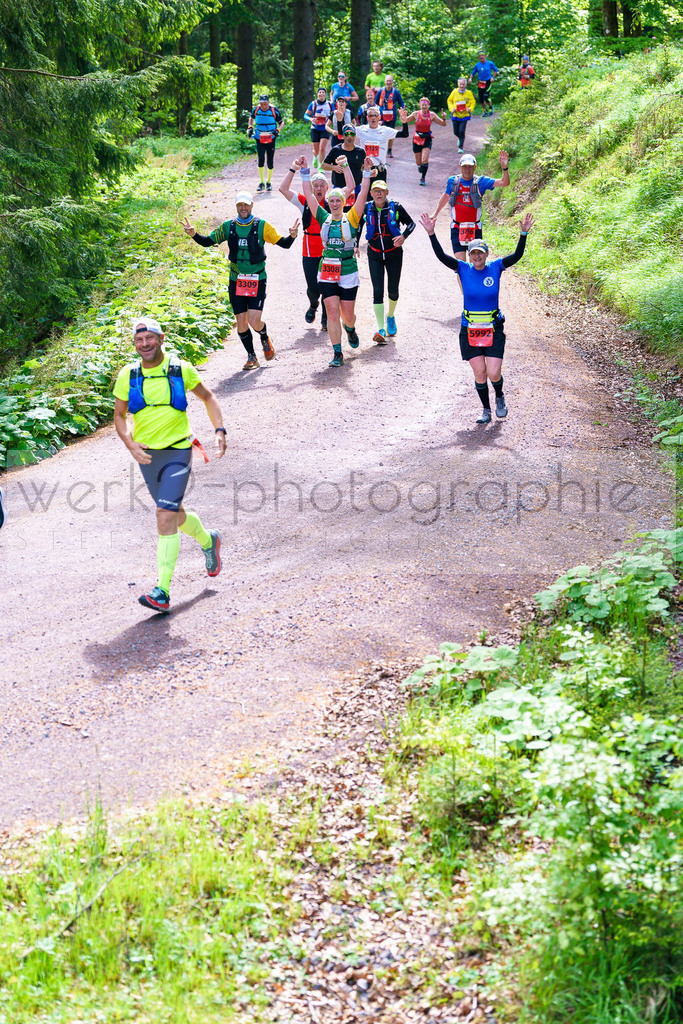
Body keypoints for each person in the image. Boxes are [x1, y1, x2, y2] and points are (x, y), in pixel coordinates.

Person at [113, 317, 226, 613]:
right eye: (139, 340)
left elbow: (208, 397)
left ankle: (162, 591)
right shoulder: (129, 374)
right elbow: (119, 416)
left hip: (178, 451)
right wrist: (130, 443)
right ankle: (208, 539)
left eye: (149, 338)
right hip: (148, 457)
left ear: (161, 338)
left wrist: (219, 430)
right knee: (174, 516)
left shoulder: (180, 369)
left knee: (164, 515)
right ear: (135, 344)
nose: (144, 344)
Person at [420, 212, 534, 423]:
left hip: (493, 327)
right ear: (469, 255)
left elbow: (516, 256)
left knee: (493, 372)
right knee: (480, 373)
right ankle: (486, 410)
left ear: (487, 254)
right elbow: (442, 256)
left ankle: (499, 396)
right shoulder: (463, 268)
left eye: (480, 253)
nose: (477, 257)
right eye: (473, 254)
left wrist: (524, 234)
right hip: (469, 328)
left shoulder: (496, 267)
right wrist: (431, 234)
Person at [181, 191, 299, 370]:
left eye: (246, 205)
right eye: (240, 205)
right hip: (236, 280)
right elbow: (207, 242)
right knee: (241, 321)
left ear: (252, 205)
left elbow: (283, 243)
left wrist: (292, 236)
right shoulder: (228, 227)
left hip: (257, 279)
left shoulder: (262, 226)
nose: (243, 208)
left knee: (254, 321)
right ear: (236, 207)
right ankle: (251, 356)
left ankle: (265, 336)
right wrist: (193, 234)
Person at [296, 154, 375, 367]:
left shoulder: (352, 216)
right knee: (331, 310)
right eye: (331, 200)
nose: (334, 203)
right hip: (328, 269)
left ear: (343, 202)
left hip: (348, 269)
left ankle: (350, 328)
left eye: (338, 200)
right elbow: (309, 196)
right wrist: (304, 172)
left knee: (347, 315)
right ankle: (337, 353)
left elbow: (363, 193)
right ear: (328, 203)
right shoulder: (322, 217)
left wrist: (366, 172)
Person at [279, 159, 356, 330]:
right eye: (316, 185)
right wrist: (293, 168)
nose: (319, 189)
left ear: (327, 188)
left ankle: (325, 318)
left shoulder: (334, 201)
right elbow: (283, 189)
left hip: (330, 252)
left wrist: (345, 165)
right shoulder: (305, 201)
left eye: (322, 185)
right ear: (311, 188)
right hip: (309, 251)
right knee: (313, 289)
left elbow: (350, 186)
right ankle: (313, 305)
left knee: (328, 286)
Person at [357, 180, 415, 343]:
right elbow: (359, 226)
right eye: (375, 191)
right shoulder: (367, 208)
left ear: (387, 192)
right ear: (371, 194)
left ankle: (390, 316)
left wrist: (403, 236)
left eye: (381, 191)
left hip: (394, 254)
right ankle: (381, 328)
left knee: (393, 290)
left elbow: (411, 223)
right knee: (377, 290)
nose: (378, 194)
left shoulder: (395, 207)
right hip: (374, 254)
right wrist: (355, 245)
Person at [430, 151, 510, 258]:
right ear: (460, 167)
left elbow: (505, 182)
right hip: (457, 227)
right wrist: (435, 214)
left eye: (470, 167)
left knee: (476, 263)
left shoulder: (481, 182)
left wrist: (504, 168)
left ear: (475, 167)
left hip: (475, 228)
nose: (467, 170)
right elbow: (445, 196)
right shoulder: (453, 181)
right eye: (465, 167)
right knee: (461, 265)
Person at [399, 97, 447, 186]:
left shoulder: (432, 115)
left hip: (427, 138)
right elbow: (404, 121)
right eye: (422, 105)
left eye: (426, 105)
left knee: (424, 159)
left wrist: (444, 118)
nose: (424, 106)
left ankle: (423, 178)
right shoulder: (416, 114)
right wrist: (402, 116)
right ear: (420, 105)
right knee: (418, 162)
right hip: (417, 138)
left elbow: (443, 124)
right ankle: (420, 166)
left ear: (428, 105)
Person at [322, 125, 366, 207]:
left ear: (355, 136)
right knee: (338, 211)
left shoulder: (360, 151)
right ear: (342, 136)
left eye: (352, 134)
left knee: (357, 213)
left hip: (356, 188)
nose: (349, 136)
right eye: (347, 134)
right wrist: (334, 167)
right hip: (339, 187)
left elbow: (363, 167)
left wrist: (369, 170)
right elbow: (323, 165)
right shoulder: (336, 150)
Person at [354, 107, 398, 182]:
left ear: (379, 117)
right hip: (365, 168)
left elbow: (405, 134)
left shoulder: (385, 130)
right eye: (371, 116)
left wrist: (404, 122)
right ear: (367, 118)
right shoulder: (361, 130)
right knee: (365, 193)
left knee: (380, 193)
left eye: (375, 115)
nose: (373, 118)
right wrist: (339, 120)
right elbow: (344, 132)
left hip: (380, 168)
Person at [304, 88, 333, 169]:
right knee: (316, 150)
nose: (321, 94)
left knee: (322, 148)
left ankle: (321, 166)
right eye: (319, 92)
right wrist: (311, 119)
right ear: (317, 94)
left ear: (325, 94)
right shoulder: (313, 104)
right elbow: (305, 115)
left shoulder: (330, 104)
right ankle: (315, 156)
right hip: (315, 128)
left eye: (323, 92)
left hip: (325, 128)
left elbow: (334, 113)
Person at [375, 75, 404, 156]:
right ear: (385, 81)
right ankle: (381, 150)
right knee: (381, 133)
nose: (388, 82)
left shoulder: (396, 92)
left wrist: (402, 110)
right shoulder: (380, 91)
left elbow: (401, 102)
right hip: (381, 116)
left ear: (392, 82)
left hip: (392, 116)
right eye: (387, 81)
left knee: (391, 133)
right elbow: (375, 102)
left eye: (390, 81)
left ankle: (389, 150)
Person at [446, 78, 476, 153]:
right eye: (460, 84)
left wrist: (470, 109)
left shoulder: (469, 93)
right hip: (455, 114)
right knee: (455, 132)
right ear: (458, 84)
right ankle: (460, 138)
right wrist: (451, 108)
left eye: (463, 84)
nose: (462, 86)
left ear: (465, 85)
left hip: (465, 115)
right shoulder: (454, 92)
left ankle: (461, 147)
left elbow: (473, 102)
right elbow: (449, 101)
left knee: (462, 131)